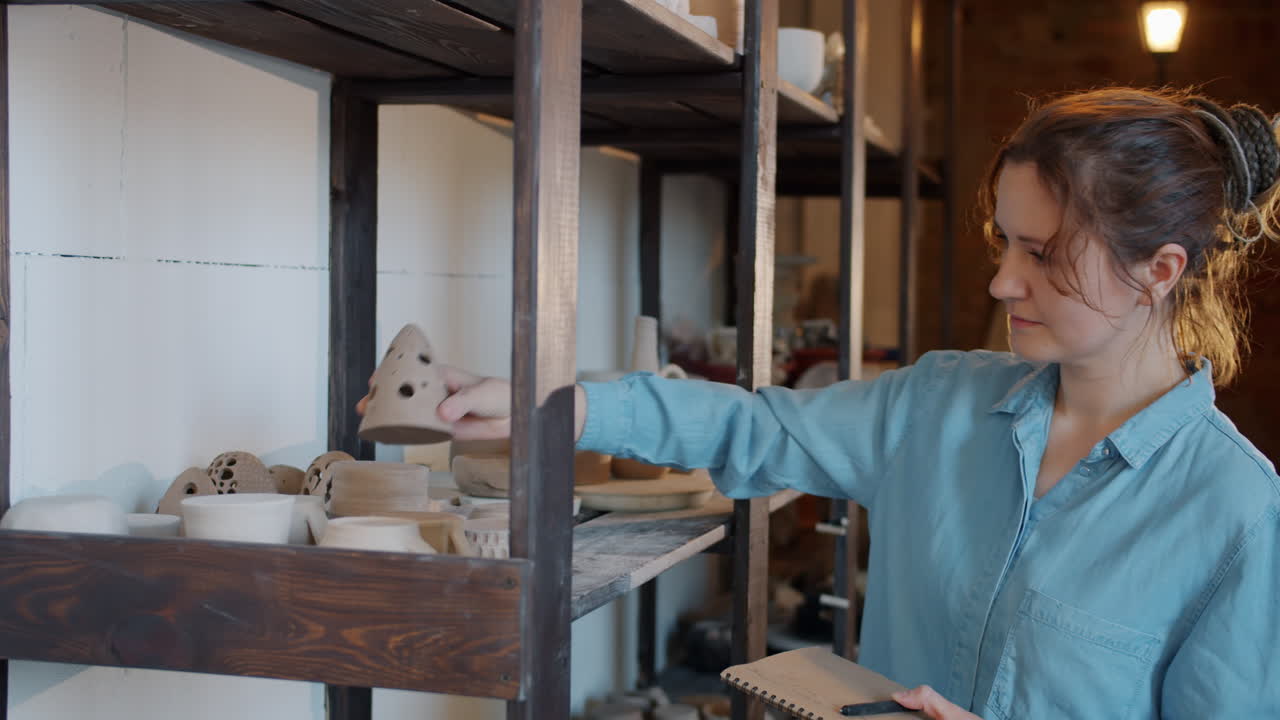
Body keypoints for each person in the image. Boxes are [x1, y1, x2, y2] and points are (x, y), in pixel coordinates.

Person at [358, 88, 1280, 718]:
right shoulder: (939, 405)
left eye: (1040, 253)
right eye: (1004, 243)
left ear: (1158, 272)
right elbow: (753, 426)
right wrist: (559, 407)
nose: (1002, 280)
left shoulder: (1235, 510)